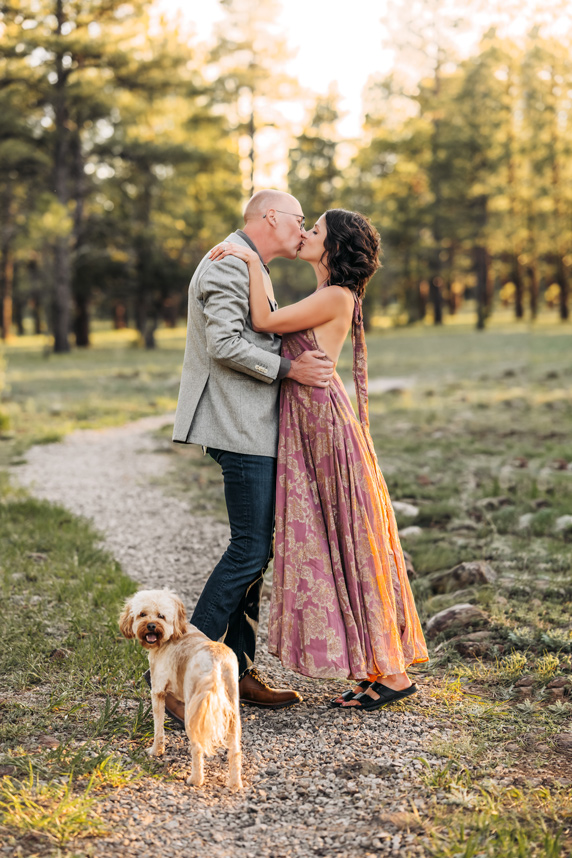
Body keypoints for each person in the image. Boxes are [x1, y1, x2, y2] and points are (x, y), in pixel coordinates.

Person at [209, 208, 428, 711]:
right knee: (339, 539)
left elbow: (262, 320)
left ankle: (392, 675)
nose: (306, 234)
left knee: (348, 536)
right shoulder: (325, 294)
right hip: (312, 424)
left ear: (333, 247)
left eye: (316, 230)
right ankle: (379, 667)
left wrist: (245, 257)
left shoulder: (333, 295)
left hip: (324, 426)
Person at [168, 190, 334, 718]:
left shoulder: (248, 264)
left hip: (254, 427)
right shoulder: (226, 265)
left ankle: (238, 670)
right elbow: (224, 345)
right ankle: (175, 676)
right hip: (238, 427)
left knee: (255, 552)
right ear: (270, 218)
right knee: (249, 550)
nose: (302, 228)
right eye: (298, 219)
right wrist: (292, 370)